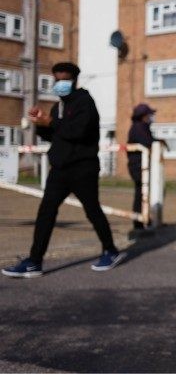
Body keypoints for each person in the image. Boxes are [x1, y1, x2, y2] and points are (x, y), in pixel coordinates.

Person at [2, 62, 124, 278]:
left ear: (74, 80)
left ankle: (110, 250)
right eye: (56, 80)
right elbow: (54, 135)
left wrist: (51, 122)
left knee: (92, 210)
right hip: (59, 169)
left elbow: (77, 131)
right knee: (45, 213)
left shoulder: (85, 102)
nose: (60, 84)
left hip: (82, 168)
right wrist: (41, 123)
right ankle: (34, 262)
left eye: (64, 80)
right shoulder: (58, 107)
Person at [127, 103, 166, 231]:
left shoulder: (143, 127)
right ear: (143, 116)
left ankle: (146, 218)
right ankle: (139, 222)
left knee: (146, 193)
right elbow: (147, 142)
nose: (151, 117)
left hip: (143, 166)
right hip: (138, 167)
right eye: (149, 114)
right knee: (141, 193)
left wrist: (158, 141)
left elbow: (150, 140)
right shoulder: (138, 127)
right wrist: (156, 142)